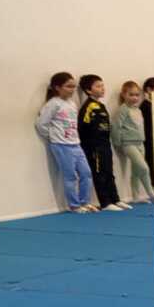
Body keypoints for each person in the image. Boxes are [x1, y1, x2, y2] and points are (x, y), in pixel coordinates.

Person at [35, 72, 95, 212]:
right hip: (61, 145)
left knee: (86, 173)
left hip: (76, 144)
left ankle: (85, 202)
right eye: (68, 86)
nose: (72, 89)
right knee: (70, 176)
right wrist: (53, 137)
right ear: (57, 88)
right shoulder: (53, 104)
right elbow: (41, 124)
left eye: (74, 86)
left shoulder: (72, 104)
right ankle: (74, 205)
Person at [77, 74, 126, 210]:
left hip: (105, 145)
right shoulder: (88, 107)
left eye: (102, 85)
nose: (102, 88)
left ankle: (115, 199)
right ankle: (105, 202)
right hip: (94, 147)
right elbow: (82, 127)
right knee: (100, 174)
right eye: (98, 86)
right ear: (88, 90)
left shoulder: (101, 106)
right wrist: (89, 145)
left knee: (109, 172)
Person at [111, 82, 154, 204]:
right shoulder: (123, 110)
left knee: (136, 171)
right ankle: (151, 193)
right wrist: (117, 143)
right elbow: (116, 126)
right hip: (128, 143)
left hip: (140, 142)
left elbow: (140, 127)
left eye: (137, 95)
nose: (135, 98)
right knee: (144, 168)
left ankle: (135, 196)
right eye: (131, 95)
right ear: (124, 95)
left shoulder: (138, 110)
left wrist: (142, 139)